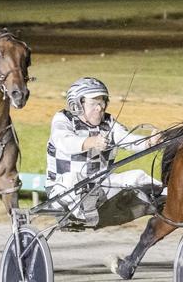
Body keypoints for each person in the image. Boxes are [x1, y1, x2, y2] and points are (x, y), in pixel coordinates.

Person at [45, 77, 161, 225]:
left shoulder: (108, 123)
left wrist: (149, 142)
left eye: (102, 102)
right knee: (72, 179)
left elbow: (126, 139)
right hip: (61, 191)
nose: (99, 108)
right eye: (93, 103)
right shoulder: (63, 119)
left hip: (100, 187)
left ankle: (172, 200)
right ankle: (86, 211)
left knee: (138, 176)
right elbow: (64, 142)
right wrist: (91, 142)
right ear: (76, 105)